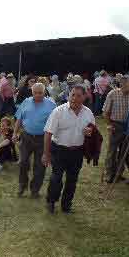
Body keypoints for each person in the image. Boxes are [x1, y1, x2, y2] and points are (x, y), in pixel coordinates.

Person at [43, 85, 95, 214]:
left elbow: (93, 129)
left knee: (72, 180)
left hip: (77, 151)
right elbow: (48, 133)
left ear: (84, 97)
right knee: (56, 178)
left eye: (78, 95)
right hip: (59, 150)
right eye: (72, 95)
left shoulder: (88, 113)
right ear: (68, 95)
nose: (74, 98)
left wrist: (90, 131)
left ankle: (66, 205)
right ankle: (51, 201)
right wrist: (46, 153)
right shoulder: (58, 111)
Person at [13, 83, 56, 198]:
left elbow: (55, 123)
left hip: (43, 139)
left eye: (40, 93)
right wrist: (15, 132)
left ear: (44, 92)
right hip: (26, 136)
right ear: (32, 92)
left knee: (40, 165)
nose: (37, 95)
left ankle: (35, 189)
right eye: (35, 93)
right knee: (23, 162)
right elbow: (19, 118)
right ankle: (22, 185)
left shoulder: (51, 105)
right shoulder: (26, 102)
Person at [102, 75, 129, 183]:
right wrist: (109, 124)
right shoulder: (113, 94)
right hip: (116, 125)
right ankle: (109, 174)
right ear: (123, 84)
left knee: (124, 151)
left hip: (128, 126)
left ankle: (118, 174)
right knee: (112, 151)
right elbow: (105, 112)